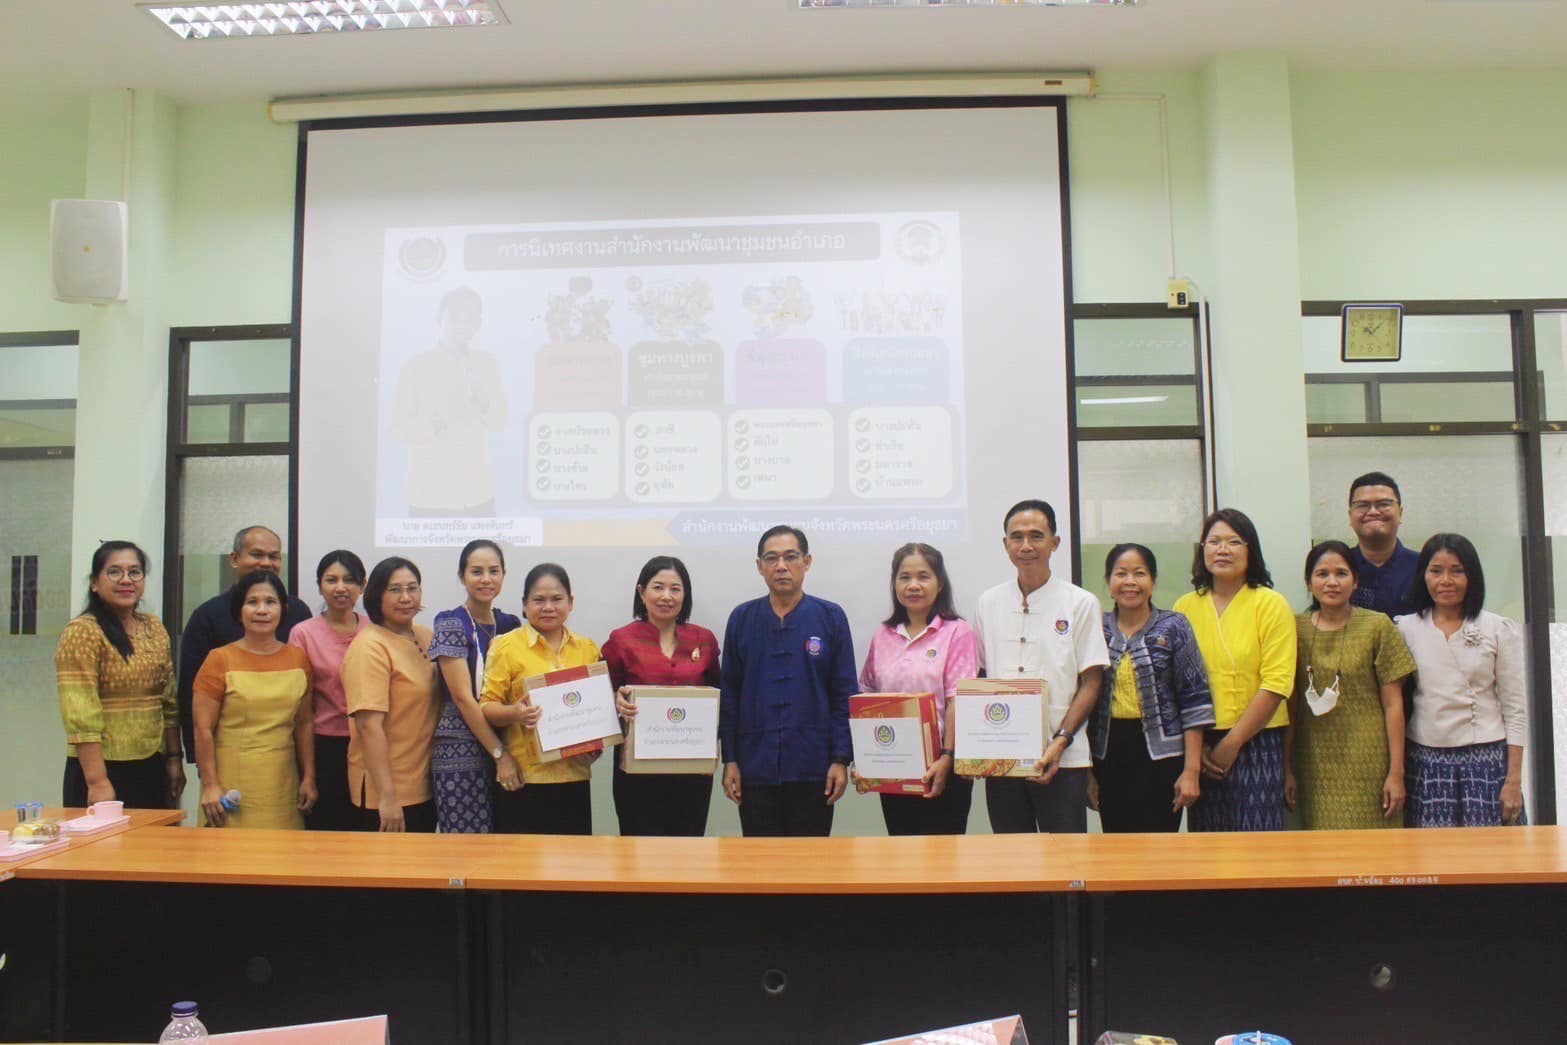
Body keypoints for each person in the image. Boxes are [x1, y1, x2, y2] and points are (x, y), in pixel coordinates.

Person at [973, 500, 1108, 834]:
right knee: (1013, 862)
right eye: (1016, 537)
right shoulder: (988, 602)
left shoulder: (1081, 602)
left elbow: (1091, 682)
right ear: (1005, 545)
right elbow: (979, 678)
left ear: (1055, 542)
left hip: (1064, 758)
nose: (1026, 545)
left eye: (1036, 536)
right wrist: (976, 749)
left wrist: (1060, 741)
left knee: (1066, 864)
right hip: (1002, 761)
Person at [719, 526, 856, 838]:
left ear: (806, 562)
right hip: (755, 767)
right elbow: (730, 695)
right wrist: (731, 760)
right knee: (759, 869)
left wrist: (840, 759)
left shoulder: (831, 617)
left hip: (815, 766)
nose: (781, 566)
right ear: (760, 566)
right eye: (772, 558)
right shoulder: (741, 619)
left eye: (790, 557)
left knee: (811, 868)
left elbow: (844, 694)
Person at [1173, 509, 1296, 832]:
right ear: (1202, 551)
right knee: (1208, 845)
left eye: (1233, 542)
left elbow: (1277, 684)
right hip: (1200, 744)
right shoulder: (1185, 606)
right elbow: (1178, 685)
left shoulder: (1270, 604)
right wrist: (1195, 754)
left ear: (1250, 550)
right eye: (1213, 542)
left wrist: (1232, 743)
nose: (1222, 549)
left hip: (1257, 740)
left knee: (1255, 847)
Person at [1397, 533, 1526, 827]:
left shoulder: (1497, 628)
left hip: (1487, 759)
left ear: (1473, 576)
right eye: (1436, 571)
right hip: (1426, 759)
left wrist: (1514, 780)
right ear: (1423, 576)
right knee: (1433, 860)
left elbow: (1515, 708)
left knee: (1489, 860)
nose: (1446, 581)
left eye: (1457, 571)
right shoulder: (1405, 628)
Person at [1285, 540, 1415, 830]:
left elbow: (1394, 704)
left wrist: (1396, 772)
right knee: (1321, 855)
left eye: (1341, 574)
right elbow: (1290, 704)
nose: (1332, 582)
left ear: (1355, 582)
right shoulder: (1293, 628)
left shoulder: (1377, 626)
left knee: (1376, 853)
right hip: (1314, 762)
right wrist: (1287, 767)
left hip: (1369, 760)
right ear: (1308, 582)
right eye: (1322, 574)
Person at [1088, 544, 1214, 834]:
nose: (1130, 582)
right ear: (1108, 583)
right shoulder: (1097, 627)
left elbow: (1194, 701)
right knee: (1116, 849)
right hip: (1108, 756)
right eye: (1121, 574)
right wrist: (1087, 773)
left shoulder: (1174, 626)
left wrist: (1191, 771)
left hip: (1164, 759)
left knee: (1159, 852)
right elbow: (1084, 698)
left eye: (1139, 573)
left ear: (1153, 581)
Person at [855, 543, 979, 836]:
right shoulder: (883, 635)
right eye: (904, 577)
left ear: (939, 583)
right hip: (893, 765)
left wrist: (947, 757)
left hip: (944, 768)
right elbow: (868, 699)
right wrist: (865, 759)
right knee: (902, 858)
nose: (913, 585)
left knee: (943, 863)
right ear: (894, 583)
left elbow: (956, 701)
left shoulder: (957, 632)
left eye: (923, 576)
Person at [55, 541, 184, 809]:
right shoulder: (82, 632)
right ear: (94, 582)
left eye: (135, 572)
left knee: (156, 849)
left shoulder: (153, 627)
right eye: (114, 572)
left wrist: (174, 759)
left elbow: (168, 701)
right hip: (100, 769)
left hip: (152, 763)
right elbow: (80, 713)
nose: (126, 580)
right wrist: (97, 782)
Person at [480, 563, 603, 835]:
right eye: (539, 600)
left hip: (574, 778)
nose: (548, 607)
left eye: (557, 599)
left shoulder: (587, 649)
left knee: (572, 868)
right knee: (522, 870)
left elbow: (598, 712)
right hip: (524, 779)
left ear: (571, 603)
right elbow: (487, 706)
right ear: (524, 605)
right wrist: (515, 713)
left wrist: (596, 747)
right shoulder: (506, 646)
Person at [604, 556, 723, 837]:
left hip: (692, 771)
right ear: (641, 592)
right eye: (658, 587)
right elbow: (603, 697)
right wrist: (616, 701)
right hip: (637, 773)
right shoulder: (621, 639)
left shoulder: (704, 640)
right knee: (639, 853)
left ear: (685, 595)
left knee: (687, 851)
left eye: (675, 589)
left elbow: (719, 695)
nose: (666, 596)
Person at [177, 525, 312, 764]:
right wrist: (196, 757)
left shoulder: (297, 612)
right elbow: (190, 690)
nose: (266, 563)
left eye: (273, 556)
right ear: (235, 559)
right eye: (257, 554)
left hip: (286, 753)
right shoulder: (207, 615)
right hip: (228, 753)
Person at [193, 571, 316, 829]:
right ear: (239, 611)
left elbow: (304, 723)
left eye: (270, 602)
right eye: (252, 602)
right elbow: (202, 729)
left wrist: (309, 777)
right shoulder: (219, 659)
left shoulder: (298, 658)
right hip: (232, 781)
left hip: (283, 780)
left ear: (282, 610)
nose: (262, 610)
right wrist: (210, 785)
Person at [428, 539, 523, 834]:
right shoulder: (450, 623)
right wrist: (499, 755)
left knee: (510, 845)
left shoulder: (510, 624)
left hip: (508, 741)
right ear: (462, 577)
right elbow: (463, 698)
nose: (486, 579)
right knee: (469, 850)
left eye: (493, 571)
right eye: (476, 571)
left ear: (504, 576)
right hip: (462, 748)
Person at [389, 286, 509, 517]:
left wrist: (484, 405)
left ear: (478, 324)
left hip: (477, 493)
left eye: (470, 318)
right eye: (454, 317)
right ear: (439, 319)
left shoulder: (486, 364)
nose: (461, 325)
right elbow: (398, 428)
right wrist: (438, 422)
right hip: (430, 495)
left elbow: (500, 422)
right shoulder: (416, 366)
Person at [342, 557, 439, 832]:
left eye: (412, 588)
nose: (406, 597)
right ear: (376, 595)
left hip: (423, 784)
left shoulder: (425, 636)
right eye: (395, 589)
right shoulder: (370, 646)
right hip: (386, 793)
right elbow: (368, 726)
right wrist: (387, 796)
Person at [287, 550, 369, 831]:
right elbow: (302, 711)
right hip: (325, 747)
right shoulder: (303, 633)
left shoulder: (375, 630)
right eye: (331, 580)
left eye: (349, 579)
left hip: (370, 744)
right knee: (328, 831)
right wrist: (308, 775)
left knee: (367, 829)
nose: (340, 587)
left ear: (363, 585)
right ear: (320, 585)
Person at [1345, 471, 1421, 618]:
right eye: (1362, 505)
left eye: (1383, 504)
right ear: (1350, 516)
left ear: (1400, 512)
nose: (1373, 512)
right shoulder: (1338, 568)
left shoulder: (1424, 567)